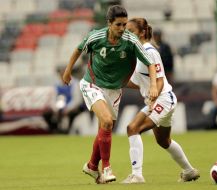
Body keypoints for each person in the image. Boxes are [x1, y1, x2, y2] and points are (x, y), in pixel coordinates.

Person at [62, 5, 158, 184]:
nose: (122, 29)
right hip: (92, 83)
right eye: (118, 25)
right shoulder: (96, 36)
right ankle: (106, 169)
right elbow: (78, 49)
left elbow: (150, 63)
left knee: (105, 128)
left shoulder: (131, 41)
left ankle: (91, 166)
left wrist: (153, 84)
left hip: (114, 89)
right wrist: (68, 72)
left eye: (124, 24)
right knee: (106, 122)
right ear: (109, 24)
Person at [121, 18, 200, 184]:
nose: (127, 35)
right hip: (159, 101)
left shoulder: (149, 51)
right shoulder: (137, 53)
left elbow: (159, 80)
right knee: (163, 141)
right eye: (126, 32)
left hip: (163, 99)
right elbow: (137, 82)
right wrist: (111, 81)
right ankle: (189, 171)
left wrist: (153, 98)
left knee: (133, 128)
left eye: (131, 32)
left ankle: (137, 175)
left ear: (142, 33)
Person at [43, 66, 84, 133]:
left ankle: (68, 131)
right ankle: (54, 130)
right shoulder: (57, 84)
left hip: (72, 108)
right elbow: (53, 99)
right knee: (47, 114)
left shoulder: (75, 84)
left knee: (72, 114)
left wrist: (67, 109)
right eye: (61, 75)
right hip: (59, 108)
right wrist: (55, 109)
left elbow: (77, 100)